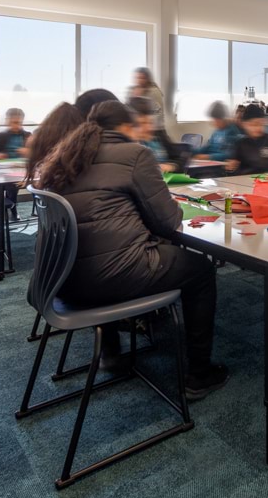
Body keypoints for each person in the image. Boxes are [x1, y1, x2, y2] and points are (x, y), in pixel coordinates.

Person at [37, 101, 227, 400]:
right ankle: (199, 374)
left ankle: (110, 354)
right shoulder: (135, 154)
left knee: (105, 249)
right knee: (201, 269)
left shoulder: (67, 157)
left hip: (60, 281)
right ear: (126, 127)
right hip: (108, 280)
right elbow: (168, 223)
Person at [128, 96, 182, 173]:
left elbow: (180, 160)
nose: (149, 128)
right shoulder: (127, 143)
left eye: (150, 122)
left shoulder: (159, 135)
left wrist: (172, 167)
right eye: (142, 123)